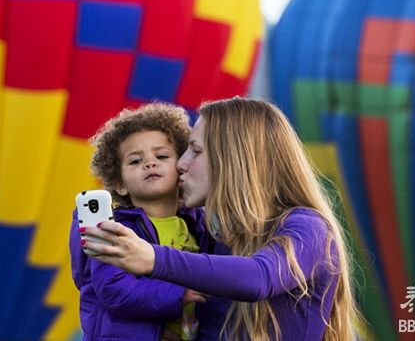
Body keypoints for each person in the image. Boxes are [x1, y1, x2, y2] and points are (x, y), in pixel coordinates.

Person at [82, 97, 360, 341]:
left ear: (234, 159)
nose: (180, 163)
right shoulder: (213, 239)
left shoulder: (307, 227)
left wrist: (152, 258)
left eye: (196, 150)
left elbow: (257, 277)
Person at [70, 103, 227, 341]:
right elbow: (114, 290)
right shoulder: (115, 231)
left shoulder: (200, 227)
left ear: (182, 168)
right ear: (119, 183)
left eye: (161, 156)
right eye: (135, 161)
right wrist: (178, 294)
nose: (150, 163)